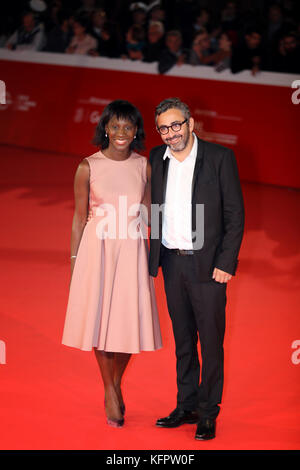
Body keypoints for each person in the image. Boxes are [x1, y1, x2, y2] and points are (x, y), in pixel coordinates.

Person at [62, 100, 162, 428]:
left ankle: (116, 382)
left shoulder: (144, 166)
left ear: (136, 132)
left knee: (129, 322)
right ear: (105, 127)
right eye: (115, 126)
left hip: (131, 249)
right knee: (99, 320)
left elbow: (152, 213)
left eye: (128, 127)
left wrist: (160, 249)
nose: (121, 133)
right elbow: (79, 219)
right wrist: (76, 261)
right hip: (98, 249)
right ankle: (109, 389)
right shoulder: (87, 167)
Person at [149, 97, 244, 440]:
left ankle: (208, 412)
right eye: (163, 128)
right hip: (172, 264)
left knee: (211, 342)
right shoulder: (156, 161)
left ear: (191, 123)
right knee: (184, 340)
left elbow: (234, 214)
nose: (171, 133)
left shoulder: (219, 158)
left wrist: (225, 262)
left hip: (209, 269)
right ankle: (186, 404)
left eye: (176, 125)